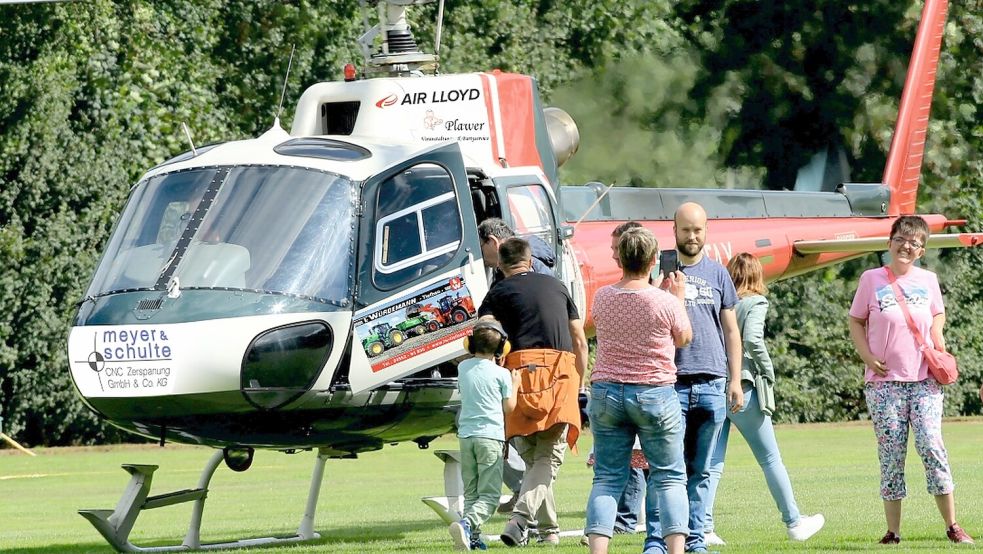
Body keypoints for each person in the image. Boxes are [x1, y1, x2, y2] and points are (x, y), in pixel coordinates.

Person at [848, 215, 973, 545]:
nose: (906, 246)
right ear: (889, 241)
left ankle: (953, 525)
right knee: (891, 455)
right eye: (901, 238)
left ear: (921, 250)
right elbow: (856, 320)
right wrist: (866, 356)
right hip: (884, 383)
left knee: (932, 447)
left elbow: (937, 312)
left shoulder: (929, 280)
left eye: (915, 242)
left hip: (924, 381)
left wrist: (936, 331)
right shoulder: (870, 279)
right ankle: (893, 532)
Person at [702, 253, 825, 546]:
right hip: (744, 388)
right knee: (770, 459)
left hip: (716, 387)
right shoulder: (756, 302)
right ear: (758, 275)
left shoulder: (721, 303)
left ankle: (704, 526)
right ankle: (794, 522)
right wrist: (768, 372)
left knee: (712, 464)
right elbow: (754, 341)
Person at [584, 227, 692, 554]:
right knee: (670, 477)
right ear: (654, 259)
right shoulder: (665, 301)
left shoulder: (603, 296)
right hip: (653, 392)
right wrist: (678, 298)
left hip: (607, 393)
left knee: (606, 478)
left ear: (620, 257)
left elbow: (617, 317)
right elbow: (684, 337)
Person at [478, 237, 589, 547]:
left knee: (533, 459)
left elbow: (484, 330)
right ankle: (520, 518)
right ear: (529, 259)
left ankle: (548, 531)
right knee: (548, 458)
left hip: (517, 373)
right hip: (559, 371)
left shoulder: (497, 293)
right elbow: (579, 337)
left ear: (500, 264)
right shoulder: (557, 286)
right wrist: (579, 380)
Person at [646, 202, 743, 554]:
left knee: (701, 472)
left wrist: (735, 380)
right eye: (685, 229)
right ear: (674, 231)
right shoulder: (658, 275)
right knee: (665, 470)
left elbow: (731, 331)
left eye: (698, 230)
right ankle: (656, 542)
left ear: (706, 231)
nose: (692, 236)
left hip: (712, 382)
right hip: (670, 383)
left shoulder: (719, 274)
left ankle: (695, 541)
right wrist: (660, 288)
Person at [477, 217, 555, 514]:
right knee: (541, 451)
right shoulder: (544, 269)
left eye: (483, 251)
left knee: (535, 450)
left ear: (493, 243)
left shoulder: (508, 282)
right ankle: (538, 516)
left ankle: (525, 508)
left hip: (522, 367)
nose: (487, 263)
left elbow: (495, 321)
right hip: (551, 365)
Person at [449, 319, 522, 551]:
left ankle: (472, 537)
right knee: (490, 496)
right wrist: (516, 384)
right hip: (490, 437)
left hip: (466, 436)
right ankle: (467, 524)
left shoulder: (463, 368)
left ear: (470, 344)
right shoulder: (502, 374)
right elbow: (509, 408)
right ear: (502, 348)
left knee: (472, 492)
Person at [478, 218, 556, 280]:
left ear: (493, 241)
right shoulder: (530, 261)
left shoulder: (522, 268)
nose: (480, 255)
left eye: (481, 247)